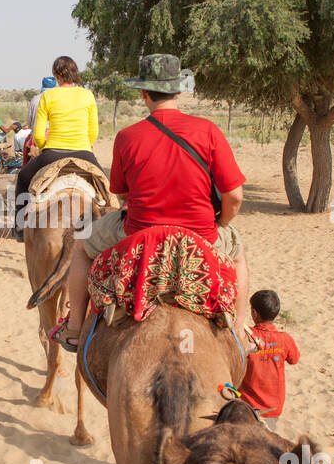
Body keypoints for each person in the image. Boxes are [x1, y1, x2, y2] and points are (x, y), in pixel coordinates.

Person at [60, 53, 249, 348]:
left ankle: (73, 328)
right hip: (201, 235)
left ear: (144, 93)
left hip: (138, 234)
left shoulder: (126, 137)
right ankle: (238, 334)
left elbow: (122, 195)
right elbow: (234, 195)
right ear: (178, 90)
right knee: (237, 255)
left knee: (83, 246)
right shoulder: (208, 130)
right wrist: (222, 222)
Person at [13, 57, 100, 239]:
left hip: (52, 154)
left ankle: (19, 227)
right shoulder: (88, 95)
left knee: (22, 178)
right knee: (107, 190)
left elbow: (37, 135)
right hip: (84, 154)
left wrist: (46, 149)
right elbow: (93, 132)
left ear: (56, 75)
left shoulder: (48, 96)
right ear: (75, 73)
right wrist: (83, 144)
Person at [237, 289, 299, 429]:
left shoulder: (247, 336)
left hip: (248, 405)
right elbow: (294, 359)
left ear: (254, 313)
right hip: (273, 407)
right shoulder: (285, 339)